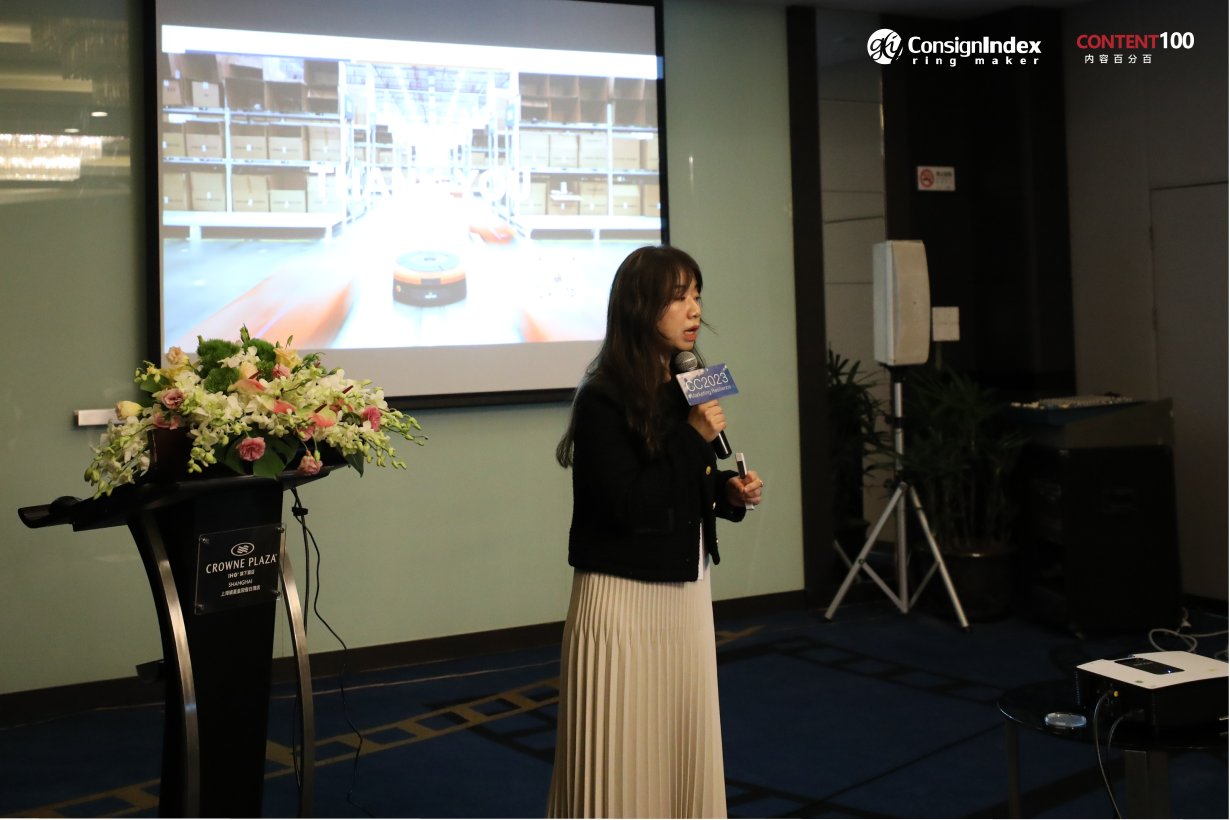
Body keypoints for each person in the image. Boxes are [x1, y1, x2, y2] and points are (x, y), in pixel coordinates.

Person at [547, 245, 764, 819]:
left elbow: (680, 480)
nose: (695, 310)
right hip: (624, 599)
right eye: (679, 297)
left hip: (685, 594)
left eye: (697, 296)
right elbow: (627, 505)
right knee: (620, 755)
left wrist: (725, 491)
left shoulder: (687, 381)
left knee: (678, 746)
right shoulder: (603, 398)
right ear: (642, 307)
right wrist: (692, 437)